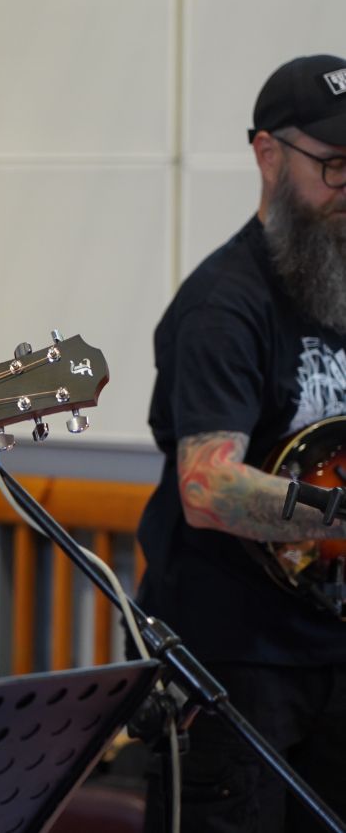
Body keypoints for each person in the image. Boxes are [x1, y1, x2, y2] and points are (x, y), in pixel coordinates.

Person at [137, 54, 346, 832]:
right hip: (237, 662)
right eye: (331, 165)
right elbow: (206, 488)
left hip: (331, 642)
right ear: (267, 155)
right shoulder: (224, 305)